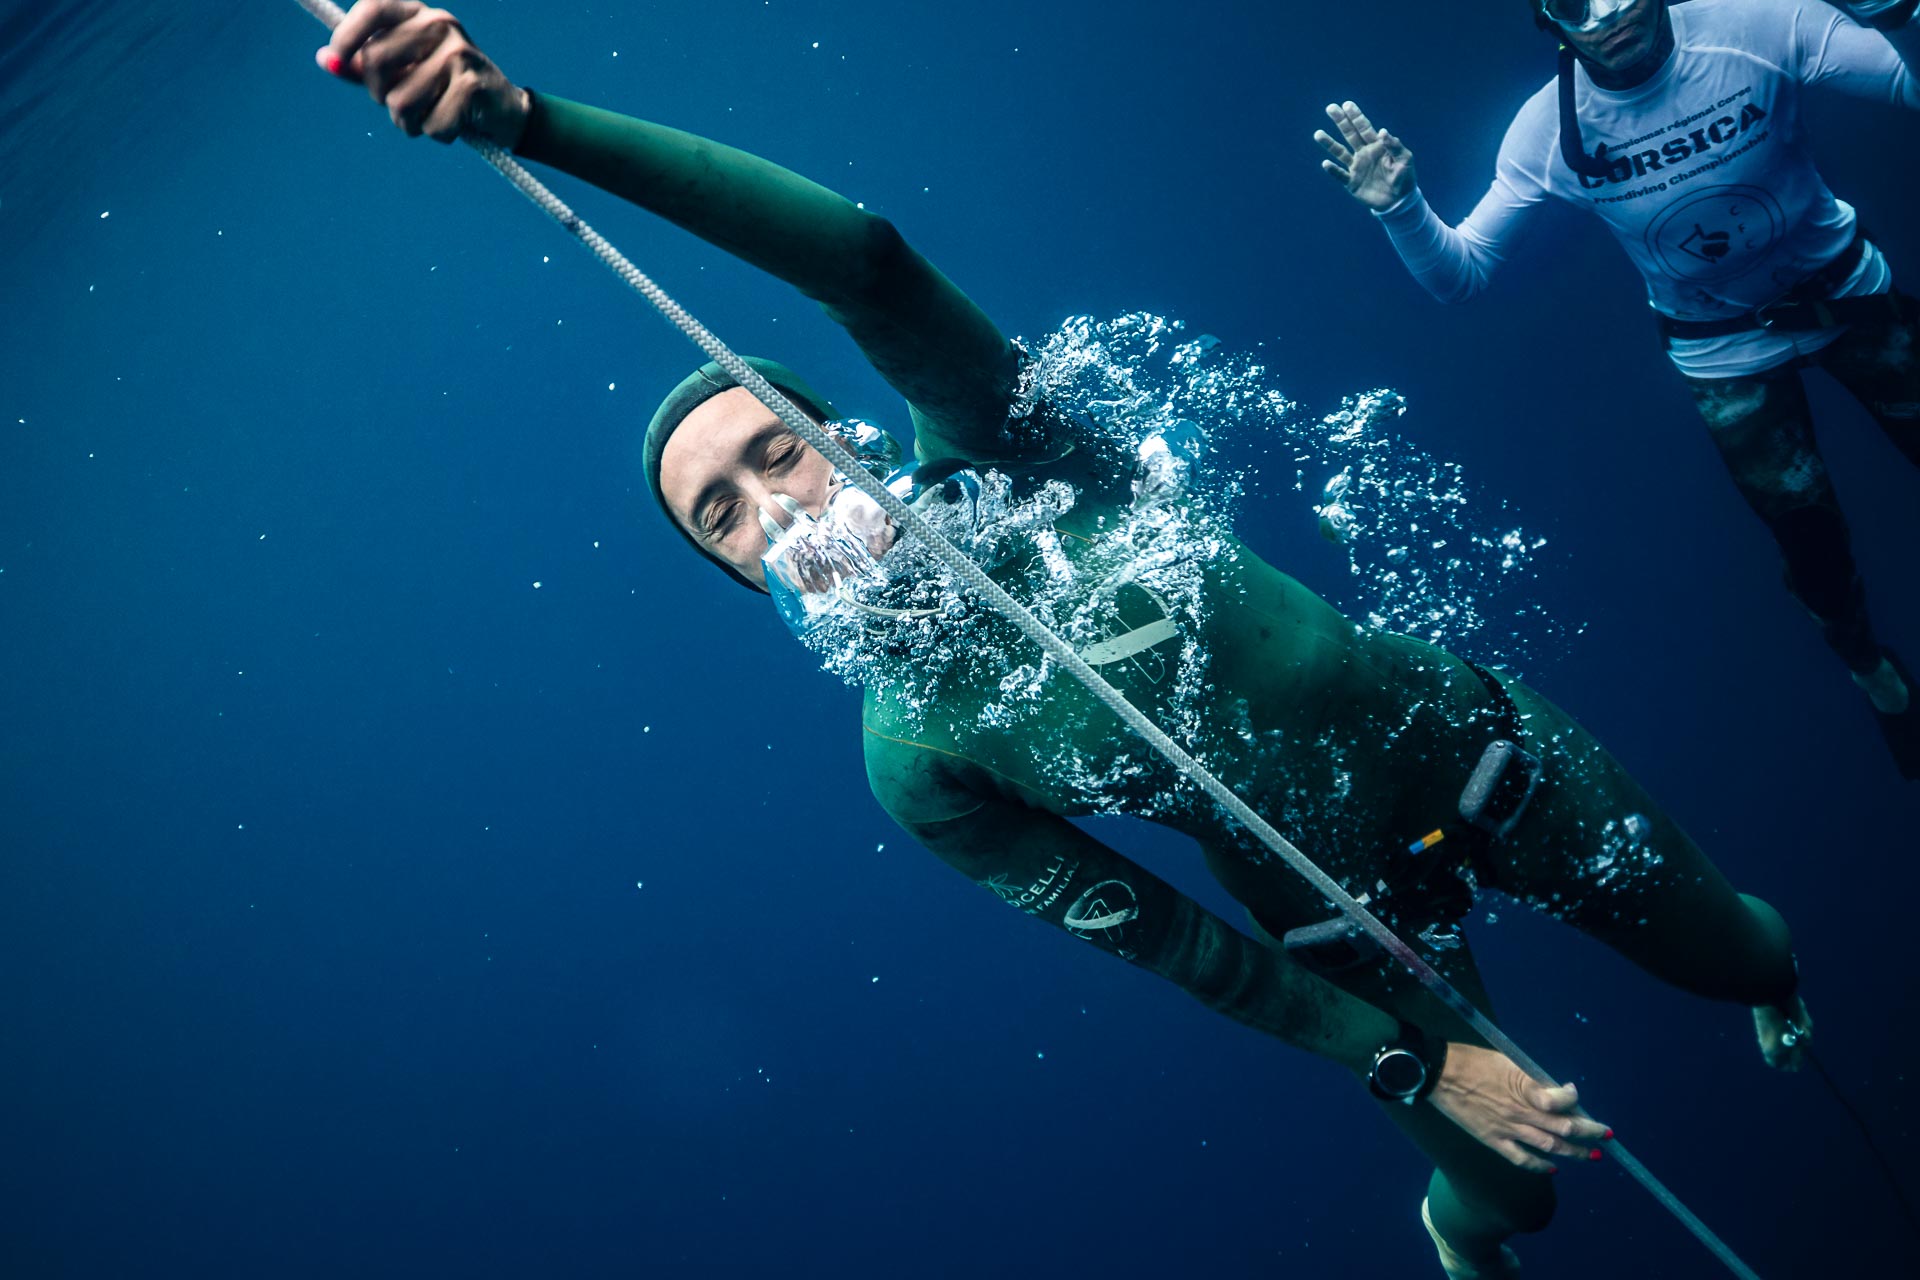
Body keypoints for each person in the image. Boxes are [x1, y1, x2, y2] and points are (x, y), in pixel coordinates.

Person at [318, 4, 1809, 1275]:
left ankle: (1763, 982)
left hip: (1487, 757)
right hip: (1347, 937)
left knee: (1750, 955)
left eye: (775, 451)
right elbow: (1171, 940)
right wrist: (1408, 1056)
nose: (776, 507)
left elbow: (866, 263)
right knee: (1513, 1196)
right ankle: (1458, 1233)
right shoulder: (912, 760)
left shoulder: (1020, 456)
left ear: (844, 436)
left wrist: (533, 122)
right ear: (733, 577)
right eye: (723, 516)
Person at [1315, 0, 1920, 781]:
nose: (1607, 14)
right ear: (1546, 16)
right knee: (1813, 551)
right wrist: (1402, 210)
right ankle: (1873, 674)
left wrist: (1900, 14)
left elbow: (1909, 83)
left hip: (1849, 297)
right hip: (1722, 349)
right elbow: (1462, 275)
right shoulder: (1547, 132)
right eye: (1576, 1)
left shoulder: (1760, 27)